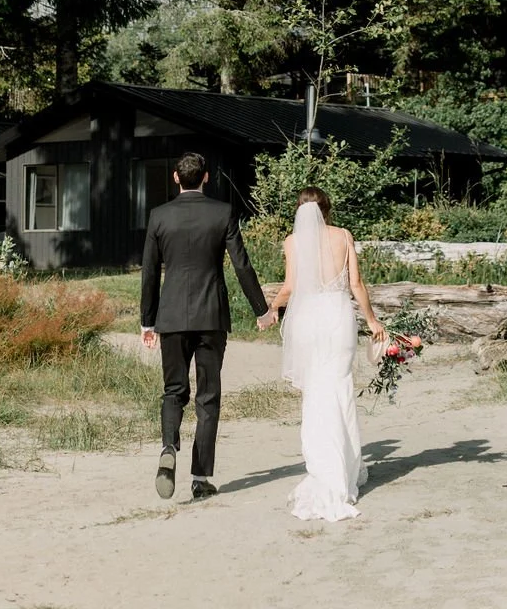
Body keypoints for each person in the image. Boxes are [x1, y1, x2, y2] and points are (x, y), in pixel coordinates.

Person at [140, 151, 269, 501]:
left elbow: (150, 271)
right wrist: (262, 309)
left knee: (174, 390)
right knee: (208, 396)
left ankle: (169, 446)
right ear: (207, 178)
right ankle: (200, 477)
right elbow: (242, 264)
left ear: (176, 179)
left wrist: (146, 321)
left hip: (170, 316)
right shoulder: (222, 212)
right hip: (211, 316)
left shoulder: (159, 216)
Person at [257, 187, 386, 521]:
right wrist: (372, 320)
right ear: (327, 210)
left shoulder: (292, 242)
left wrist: (271, 310)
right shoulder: (344, 236)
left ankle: (325, 471)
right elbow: (356, 285)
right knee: (339, 389)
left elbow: (289, 287)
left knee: (317, 394)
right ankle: (344, 469)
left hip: (310, 322)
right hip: (339, 318)